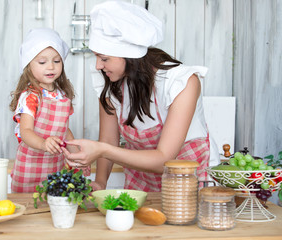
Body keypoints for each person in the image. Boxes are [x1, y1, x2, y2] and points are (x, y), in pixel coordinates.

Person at [62, 1, 220, 192]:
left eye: (104, 58)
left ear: (129, 56)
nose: (97, 66)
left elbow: (164, 160)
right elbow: (109, 140)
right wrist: (101, 182)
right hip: (143, 180)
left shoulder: (182, 82)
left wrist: (101, 150)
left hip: (189, 180)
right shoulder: (109, 79)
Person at [9, 28, 89, 193]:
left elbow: (64, 131)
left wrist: (77, 159)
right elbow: (25, 131)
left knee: (51, 204)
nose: (51, 66)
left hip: (54, 165)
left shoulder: (62, 95)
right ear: (28, 65)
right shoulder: (31, 96)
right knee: (27, 207)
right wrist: (43, 144)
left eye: (57, 61)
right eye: (42, 62)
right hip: (29, 165)